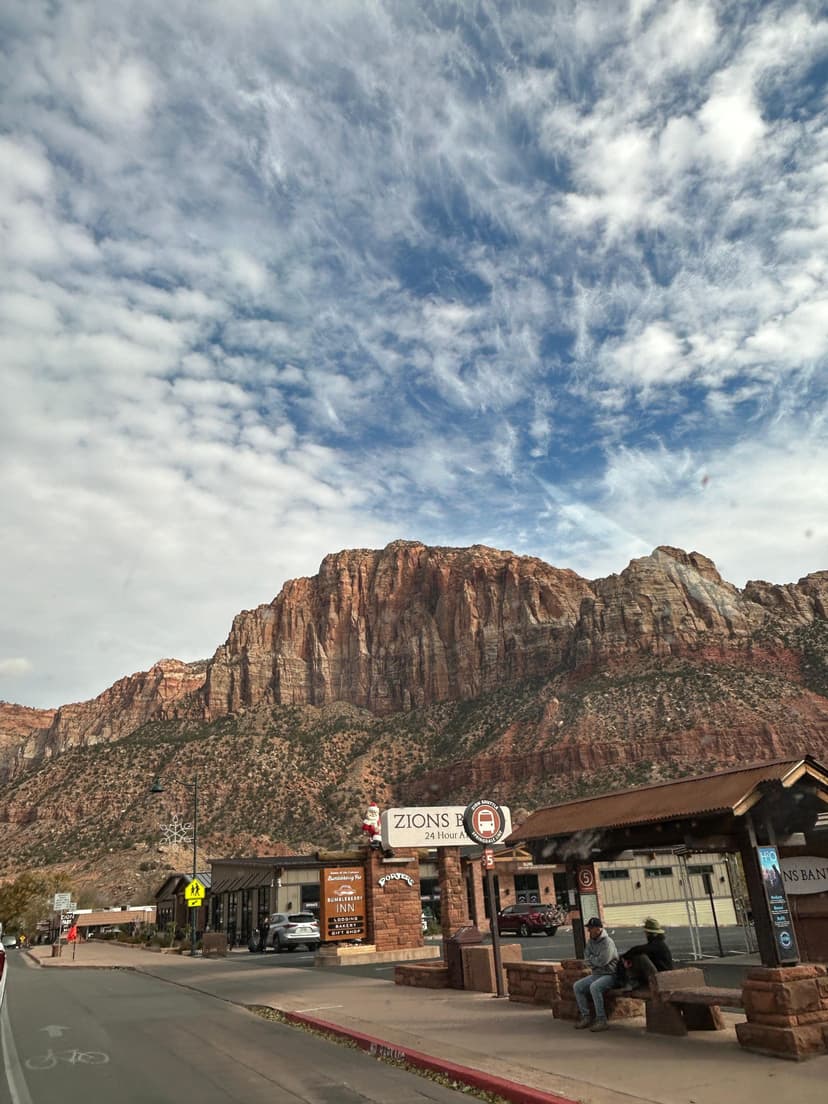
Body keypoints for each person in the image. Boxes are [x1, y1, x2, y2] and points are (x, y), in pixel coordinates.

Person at [573, 917, 619, 1032]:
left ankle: (601, 1020)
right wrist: (594, 961)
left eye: (591, 928)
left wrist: (593, 961)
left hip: (610, 975)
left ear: (598, 929)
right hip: (596, 974)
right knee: (577, 986)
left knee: (595, 987)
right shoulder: (590, 942)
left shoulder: (608, 942)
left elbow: (603, 961)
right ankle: (586, 1016)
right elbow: (586, 959)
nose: (588, 931)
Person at [618, 917, 673, 990]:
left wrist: (624, 957)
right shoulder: (658, 944)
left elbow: (637, 949)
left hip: (660, 978)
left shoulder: (657, 945)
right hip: (662, 976)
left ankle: (632, 981)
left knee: (640, 957)